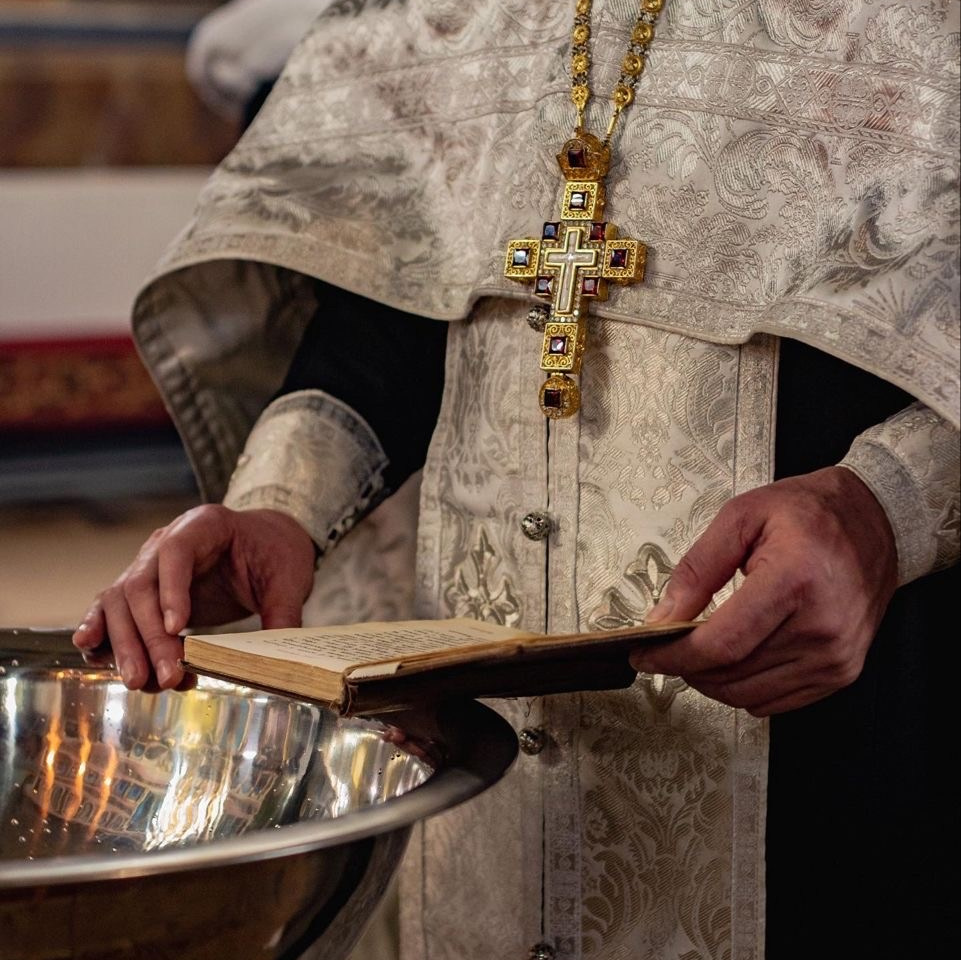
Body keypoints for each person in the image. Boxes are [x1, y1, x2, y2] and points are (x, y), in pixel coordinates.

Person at [73, 2, 959, 959]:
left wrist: (886, 505)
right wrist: (277, 504)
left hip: (845, 754)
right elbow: (396, 286)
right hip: (483, 779)